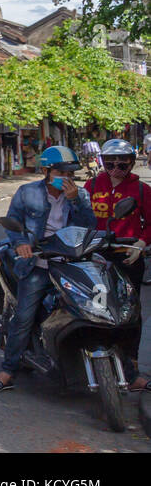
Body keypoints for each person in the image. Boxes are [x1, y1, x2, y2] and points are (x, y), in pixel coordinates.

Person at [0, 145, 97, 394]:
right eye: (60, 171)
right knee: (24, 316)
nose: (66, 177)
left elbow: (89, 226)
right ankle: (8, 371)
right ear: (46, 170)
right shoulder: (27, 192)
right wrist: (21, 243)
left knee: (96, 308)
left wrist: (75, 200)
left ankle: (125, 373)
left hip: (70, 264)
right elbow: (13, 224)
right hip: (39, 263)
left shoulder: (81, 195)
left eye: (70, 172)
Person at [85, 138, 151, 390]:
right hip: (97, 258)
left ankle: (131, 367)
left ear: (131, 164)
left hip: (128, 257)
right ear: (101, 162)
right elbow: (80, 219)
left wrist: (141, 244)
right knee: (98, 309)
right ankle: (97, 361)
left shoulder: (142, 190)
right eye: (109, 163)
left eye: (121, 165)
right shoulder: (91, 185)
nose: (115, 170)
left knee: (129, 313)